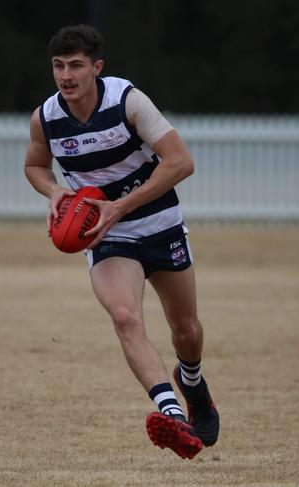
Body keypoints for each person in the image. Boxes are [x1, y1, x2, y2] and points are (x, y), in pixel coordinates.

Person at [24, 24, 219, 460]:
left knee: (185, 331)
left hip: (161, 225)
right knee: (126, 316)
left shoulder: (127, 101)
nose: (66, 75)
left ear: (97, 67)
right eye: (58, 66)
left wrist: (120, 205)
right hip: (107, 237)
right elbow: (35, 166)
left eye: (76, 65)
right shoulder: (46, 118)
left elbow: (180, 162)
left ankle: (193, 384)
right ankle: (173, 415)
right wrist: (54, 190)